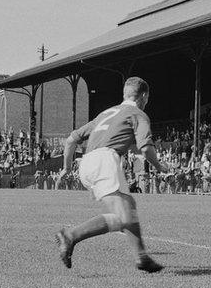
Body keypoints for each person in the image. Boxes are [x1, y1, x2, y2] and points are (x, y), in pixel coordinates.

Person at [54, 77, 169, 273]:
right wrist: (160, 166)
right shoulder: (138, 114)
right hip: (105, 160)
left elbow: (71, 140)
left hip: (87, 163)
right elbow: (146, 148)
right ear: (144, 96)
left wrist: (66, 167)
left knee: (127, 208)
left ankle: (141, 258)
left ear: (125, 94)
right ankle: (70, 235)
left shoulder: (105, 113)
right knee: (123, 215)